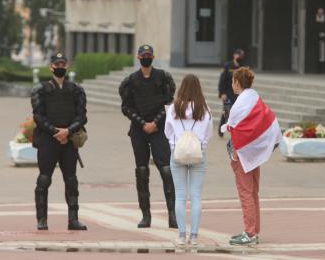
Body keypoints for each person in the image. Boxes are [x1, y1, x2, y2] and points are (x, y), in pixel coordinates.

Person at [119, 44, 178, 229]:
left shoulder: (163, 77)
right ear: (138, 57)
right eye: (143, 55)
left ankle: (172, 214)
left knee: (167, 170)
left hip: (159, 129)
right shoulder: (130, 80)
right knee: (142, 171)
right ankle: (146, 215)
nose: (146, 57)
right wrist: (142, 124)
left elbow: (169, 103)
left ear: (153, 56)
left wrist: (155, 123)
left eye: (149, 54)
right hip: (139, 130)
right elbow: (126, 107)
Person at [222, 67, 282, 245]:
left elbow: (234, 130)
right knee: (253, 193)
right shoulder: (255, 98)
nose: (232, 84)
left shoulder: (239, 104)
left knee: (245, 193)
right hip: (254, 153)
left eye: (233, 81)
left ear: (237, 82)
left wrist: (234, 153)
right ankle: (254, 230)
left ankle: (249, 233)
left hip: (243, 155)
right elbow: (265, 121)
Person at [31, 52, 88, 231]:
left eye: (63, 64)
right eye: (57, 65)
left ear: (67, 66)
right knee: (44, 180)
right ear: (51, 67)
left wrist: (68, 131)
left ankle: (73, 219)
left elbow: (82, 116)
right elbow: (38, 116)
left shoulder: (76, 89)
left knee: (71, 180)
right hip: (49, 139)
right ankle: (42, 219)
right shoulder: (40, 89)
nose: (60, 67)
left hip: (69, 140)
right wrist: (55, 131)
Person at [165, 74, 213, 246]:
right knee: (196, 196)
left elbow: (168, 132)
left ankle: (181, 235)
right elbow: (209, 133)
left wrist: (174, 147)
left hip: (177, 154)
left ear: (182, 88)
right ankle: (194, 236)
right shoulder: (204, 108)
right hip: (198, 155)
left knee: (179, 195)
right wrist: (202, 147)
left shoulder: (173, 108)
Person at [217, 49, 245, 137]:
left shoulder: (243, 67)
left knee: (238, 114)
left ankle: (236, 132)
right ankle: (221, 130)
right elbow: (222, 80)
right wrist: (222, 93)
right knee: (226, 112)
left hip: (239, 95)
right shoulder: (228, 66)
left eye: (241, 55)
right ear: (234, 55)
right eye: (238, 55)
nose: (239, 57)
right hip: (228, 93)